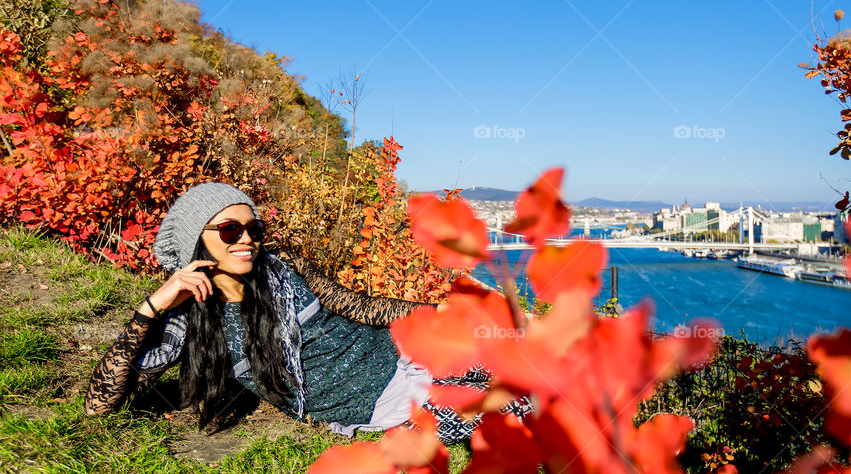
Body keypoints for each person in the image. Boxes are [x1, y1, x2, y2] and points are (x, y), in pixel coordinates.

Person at [84, 183, 529, 443]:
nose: (246, 239)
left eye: (253, 227)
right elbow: (97, 406)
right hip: (387, 400)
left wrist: (441, 312)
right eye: (229, 229)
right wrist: (150, 309)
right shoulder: (187, 318)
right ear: (196, 242)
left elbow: (356, 305)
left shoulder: (282, 267)